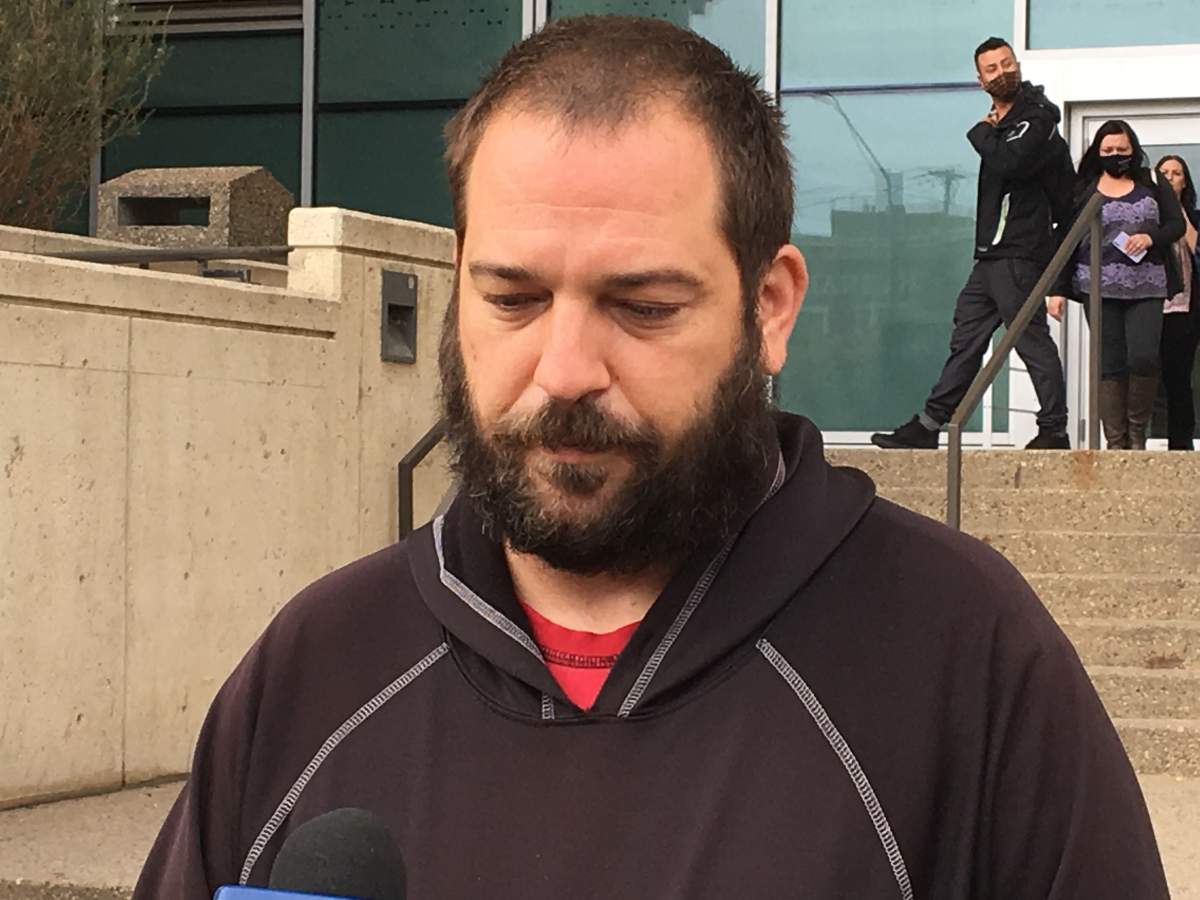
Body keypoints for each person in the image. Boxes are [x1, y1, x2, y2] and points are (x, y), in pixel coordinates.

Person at [134, 17, 1169, 899]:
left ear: (771, 307)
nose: (567, 368)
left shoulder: (967, 661)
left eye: (642, 306)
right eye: (513, 298)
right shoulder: (315, 668)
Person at [872, 37, 1074, 451]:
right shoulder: (1004, 126)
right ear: (980, 80)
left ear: (1017, 65)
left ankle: (1054, 429)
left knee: (1029, 339)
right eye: (992, 68)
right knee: (967, 337)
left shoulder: (1035, 119)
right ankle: (929, 425)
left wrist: (982, 132)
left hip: (1018, 251)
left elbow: (1009, 162)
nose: (1002, 72)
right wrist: (991, 131)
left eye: (1006, 63)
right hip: (992, 255)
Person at [1047, 123, 1185, 450]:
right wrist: (1057, 289)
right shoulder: (1083, 188)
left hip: (1147, 285)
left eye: (1122, 150)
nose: (1115, 156)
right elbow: (1065, 239)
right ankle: (1115, 440)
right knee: (1109, 363)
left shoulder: (1152, 182)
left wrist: (1151, 236)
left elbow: (1176, 224)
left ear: (1133, 150)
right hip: (1097, 288)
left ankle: (1137, 434)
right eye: (1107, 151)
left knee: (1144, 357)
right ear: (1097, 152)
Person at [1156, 154, 1199, 449]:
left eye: (1177, 173)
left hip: (1185, 307)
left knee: (1178, 377)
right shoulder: (1146, 213)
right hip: (1149, 305)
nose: (1171, 177)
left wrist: (1178, 211)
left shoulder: (1193, 217)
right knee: (1145, 373)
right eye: (1165, 172)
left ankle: (1180, 444)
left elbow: (1197, 249)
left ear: (1185, 181)